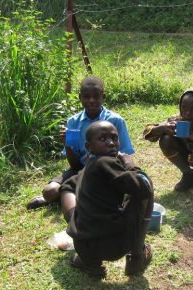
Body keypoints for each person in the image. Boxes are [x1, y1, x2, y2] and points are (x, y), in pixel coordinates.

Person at [26, 75, 135, 210]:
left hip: (108, 170)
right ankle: (68, 194)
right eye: (86, 96)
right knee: (49, 192)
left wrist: (130, 176)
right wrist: (67, 143)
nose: (91, 100)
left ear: (103, 97)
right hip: (81, 169)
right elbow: (75, 165)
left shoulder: (115, 120)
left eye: (96, 96)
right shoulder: (73, 122)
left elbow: (126, 155)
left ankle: (73, 195)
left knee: (100, 190)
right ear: (80, 97)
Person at [64, 121, 153, 278]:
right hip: (112, 246)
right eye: (103, 139)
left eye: (114, 138)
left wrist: (72, 216)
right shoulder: (106, 162)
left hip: (83, 244)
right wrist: (130, 165)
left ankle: (90, 264)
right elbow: (143, 187)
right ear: (89, 147)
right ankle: (137, 256)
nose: (111, 143)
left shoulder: (87, 168)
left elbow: (66, 187)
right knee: (144, 189)